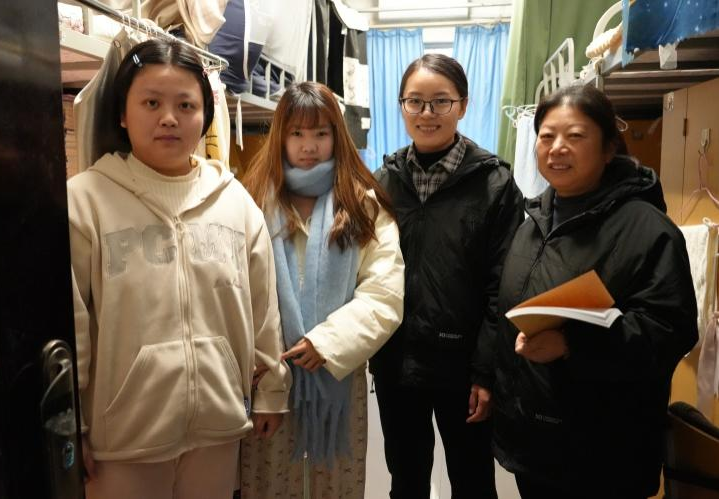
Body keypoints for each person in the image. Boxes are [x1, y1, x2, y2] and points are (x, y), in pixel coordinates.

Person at [67, 38, 291, 499]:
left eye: (186, 105)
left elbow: (262, 305)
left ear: (205, 115)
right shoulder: (85, 200)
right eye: (151, 103)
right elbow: (73, 323)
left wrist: (271, 388)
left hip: (218, 424)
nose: (169, 118)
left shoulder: (233, 201)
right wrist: (74, 423)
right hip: (123, 438)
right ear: (122, 113)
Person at [492, 84, 698, 499]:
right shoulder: (534, 222)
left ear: (608, 149)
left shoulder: (647, 229)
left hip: (603, 453)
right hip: (535, 443)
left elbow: (669, 332)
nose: (557, 148)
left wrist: (572, 345)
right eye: (547, 136)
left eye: (575, 136)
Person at [240, 81, 405, 499]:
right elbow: (236, 291)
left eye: (320, 133)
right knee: (268, 483)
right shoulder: (250, 203)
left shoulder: (364, 205)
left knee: (335, 481)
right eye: (297, 133)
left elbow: (384, 293)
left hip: (337, 374)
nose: (309, 146)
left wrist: (326, 344)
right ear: (281, 136)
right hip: (268, 377)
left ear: (337, 136)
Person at [371, 53, 524, 499]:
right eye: (414, 101)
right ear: (401, 106)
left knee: (473, 481)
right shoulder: (385, 181)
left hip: (464, 368)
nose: (426, 113)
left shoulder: (494, 184)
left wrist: (486, 372)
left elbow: (503, 288)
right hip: (397, 361)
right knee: (406, 480)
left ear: (463, 105)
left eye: (440, 101)